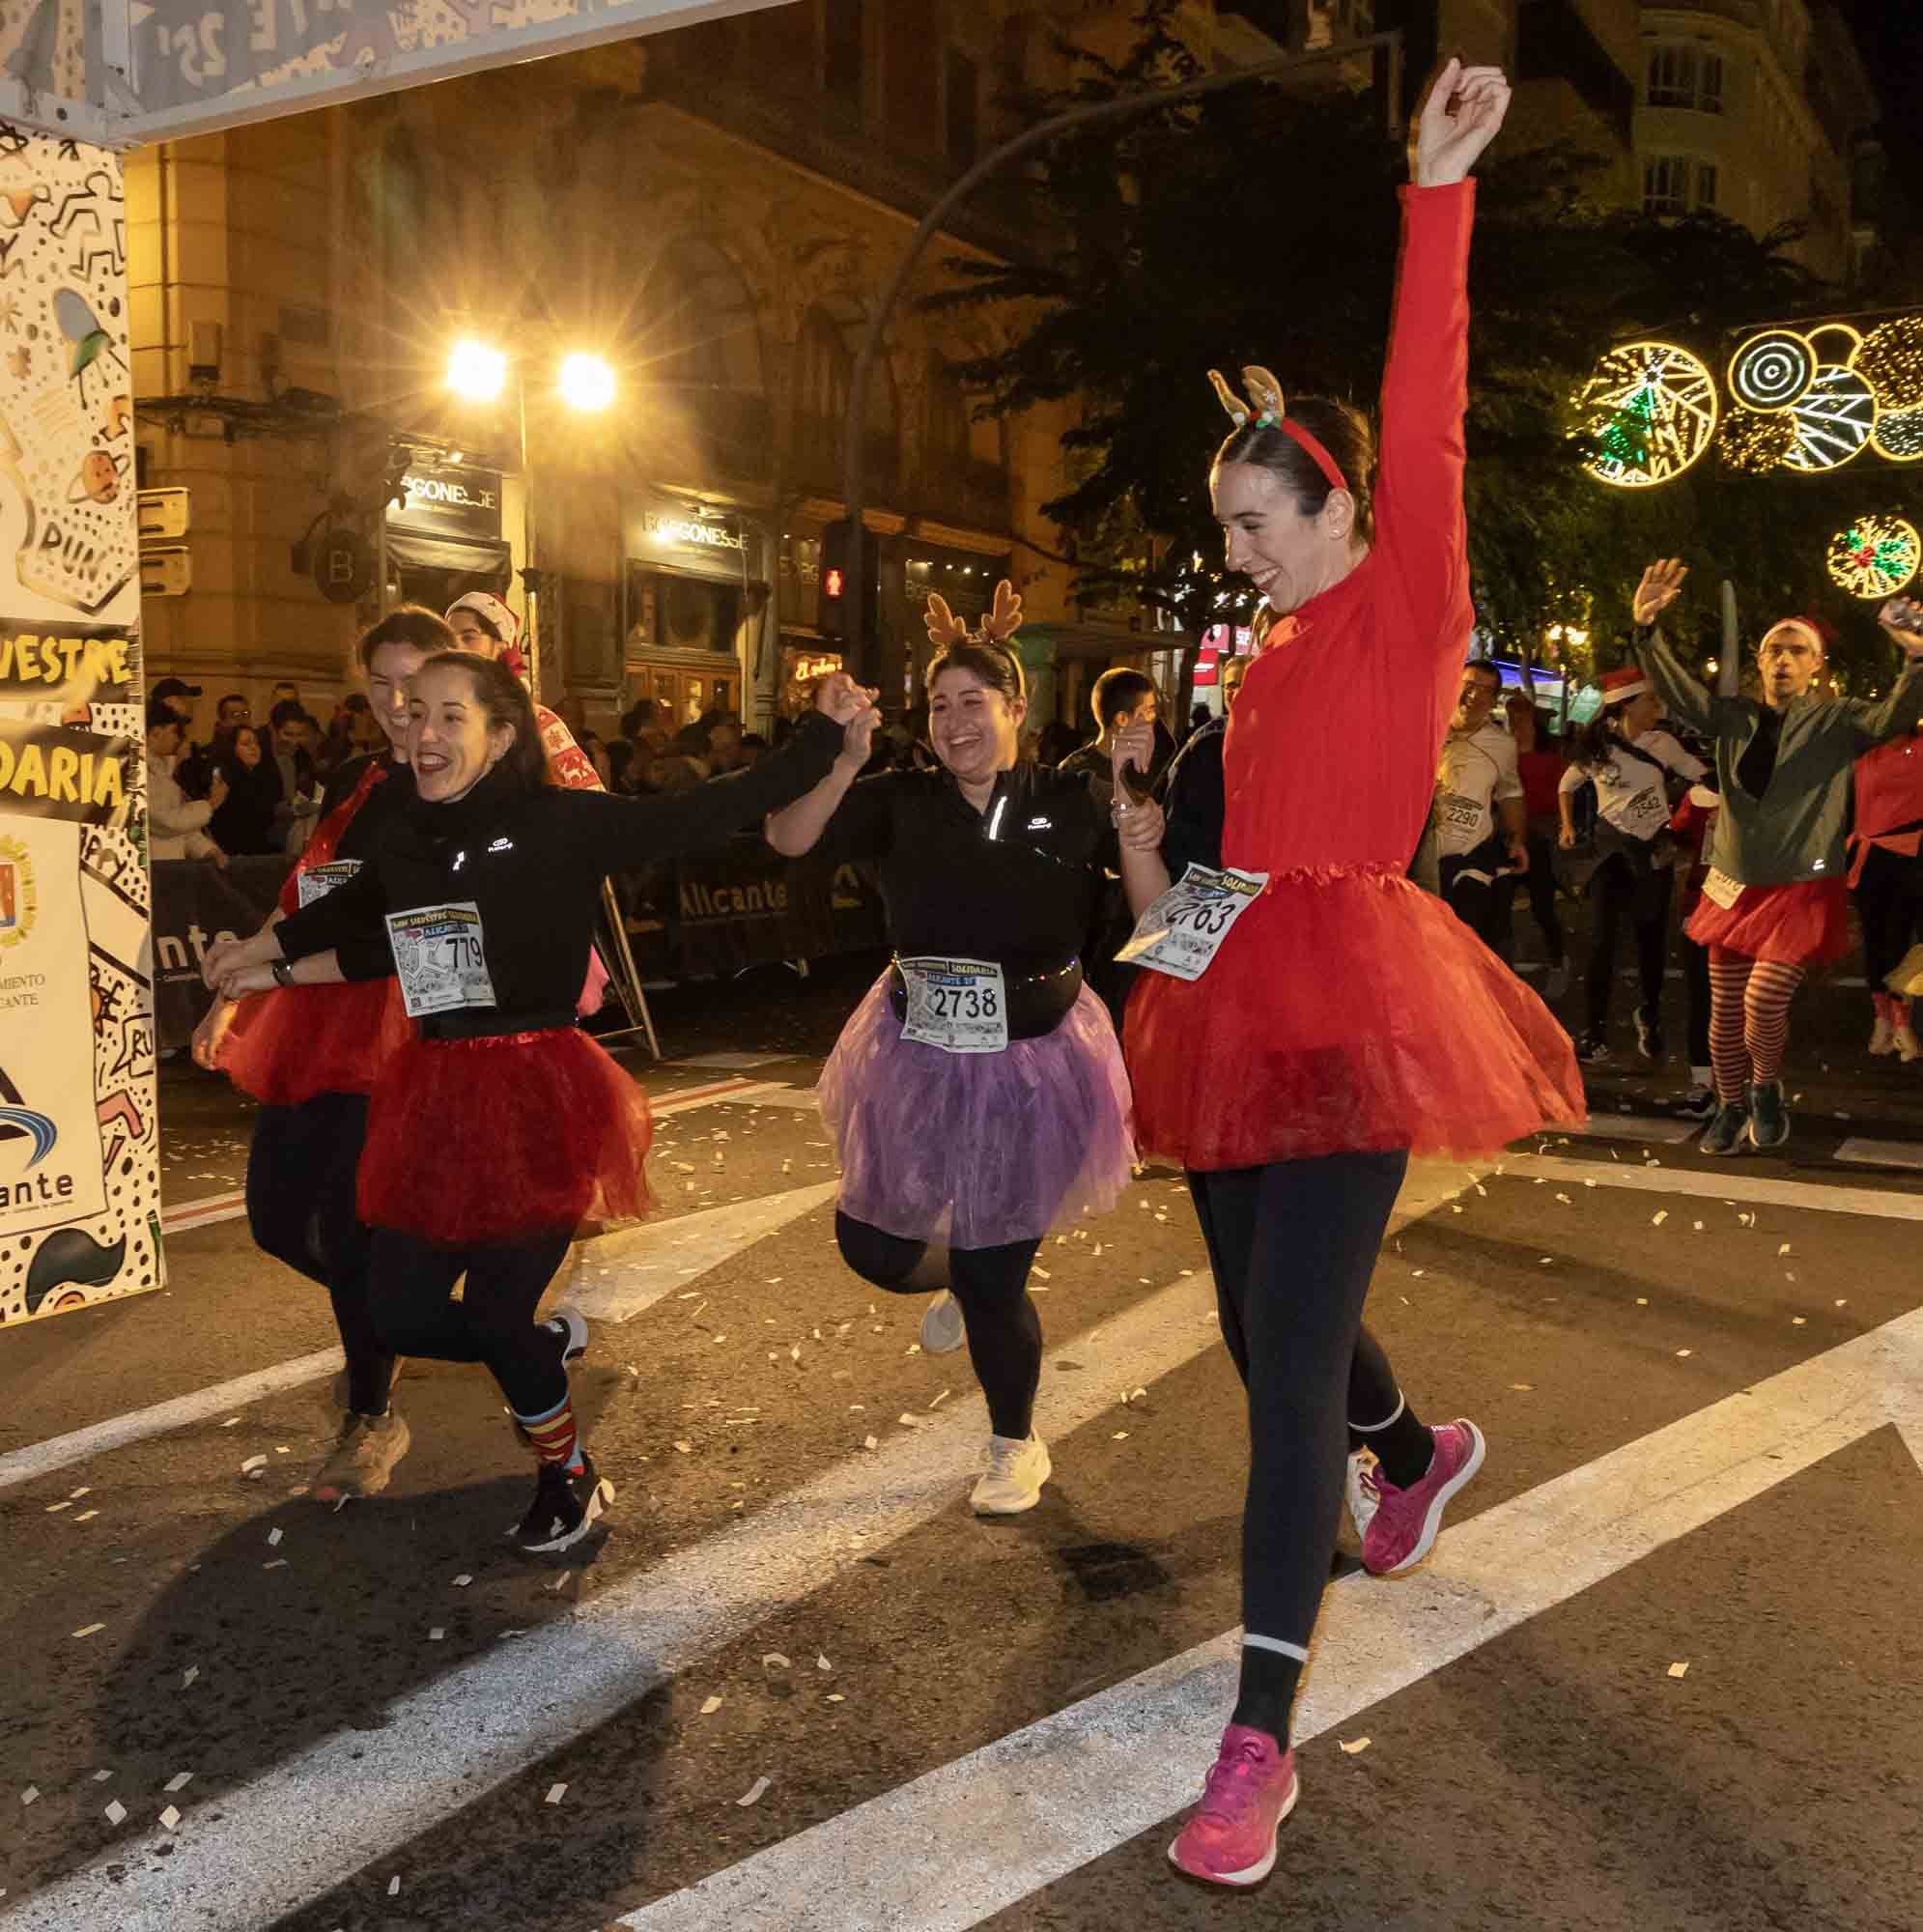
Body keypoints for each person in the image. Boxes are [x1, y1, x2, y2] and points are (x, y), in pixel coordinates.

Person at [1116, 63, 1581, 1889]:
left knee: (1282, 1362)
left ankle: (1254, 1746)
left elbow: (1425, 411)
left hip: (1365, 997)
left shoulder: (1404, 602)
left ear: (1329, 510)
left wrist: (1439, 199)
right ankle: (1416, 1455)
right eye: (1227, 533)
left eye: (1249, 528)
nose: (1231, 561)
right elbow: (1223, 863)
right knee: (1254, 1331)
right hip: (1230, 993)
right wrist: (1139, 986)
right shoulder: (1272, 654)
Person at [205, 655, 875, 1552]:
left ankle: (567, 1472)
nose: (427, 734)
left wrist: (821, 736)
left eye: (452, 716)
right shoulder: (404, 829)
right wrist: (258, 956)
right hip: (433, 1097)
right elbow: (361, 919)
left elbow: (708, 807)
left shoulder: (563, 823)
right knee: (396, 1308)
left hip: (537, 1095)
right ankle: (538, 1358)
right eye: (417, 714)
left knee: (491, 1314)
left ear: (502, 736)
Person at [765, 581, 1136, 1520]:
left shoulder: (1068, 795)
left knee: (993, 1269)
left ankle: (1015, 1439)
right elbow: (788, 834)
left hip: (1035, 1057)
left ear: (1018, 708)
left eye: (976, 701)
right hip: (913, 1049)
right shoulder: (902, 797)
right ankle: (962, 1282)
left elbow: (1151, 896)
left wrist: (1141, 818)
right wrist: (844, 753)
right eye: (939, 704)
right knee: (873, 1247)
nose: (956, 720)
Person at [192, 609, 450, 1503]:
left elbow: (386, 930)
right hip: (309, 1012)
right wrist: (236, 989)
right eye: (379, 684)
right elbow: (306, 893)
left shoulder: (454, 787)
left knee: (347, 1222)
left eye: (414, 683)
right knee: (274, 1219)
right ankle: (403, 1313)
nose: (396, 703)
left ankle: (370, 1412)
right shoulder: (358, 776)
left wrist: (270, 970)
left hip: (398, 1023)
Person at [1632, 563, 1923, 1152]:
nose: (1784, 660)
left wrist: (1916, 659)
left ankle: (1765, 1088)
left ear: (1817, 666)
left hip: (1799, 887)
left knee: (1762, 1001)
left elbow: (1893, 715)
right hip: (1733, 883)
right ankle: (1730, 1103)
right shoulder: (1732, 716)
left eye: (1797, 651)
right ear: (1761, 662)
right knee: (1724, 1011)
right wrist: (1645, 629)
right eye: (1774, 650)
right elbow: (1683, 695)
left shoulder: (1839, 723)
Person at [1556, 667, 1706, 1065]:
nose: (1657, 706)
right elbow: (1567, 784)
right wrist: (1568, 826)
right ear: (1626, 704)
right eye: (1650, 700)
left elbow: (1701, 776)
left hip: (1652, 853)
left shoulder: (1664, 744)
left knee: (1650, 941)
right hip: (1609, 856)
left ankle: (1650, 1014)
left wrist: (1695, 813)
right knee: (1601, 942)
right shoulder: (1598, 747)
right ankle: (1594, 1032)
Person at [1433, 660, 1526, 954]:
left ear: (1494, 700)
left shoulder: (1502, 744)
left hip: (1470, 860)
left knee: (1463, 950)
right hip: (1419, 861)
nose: (1475, 695)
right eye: (1470, 684)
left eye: (1486, 690)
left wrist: (1516, 839)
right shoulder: (1426, 726)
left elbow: (1510, 792)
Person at [1849, 724, 1923, 1062]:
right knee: (1877, 942)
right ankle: (1884, 1021)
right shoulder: (1866, 755)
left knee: (1900, 943)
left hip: (1911, 858)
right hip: (1870, 859)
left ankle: (1901, 1024)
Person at [1500, 689, 1570, 997]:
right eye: (1512, 711)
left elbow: (1563, 790)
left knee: (1543, 906)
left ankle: (1558, 961)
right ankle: (1503, 969)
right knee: (1499, 905)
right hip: (1508, 834)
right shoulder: (1502, 747)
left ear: (1532, 713)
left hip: (1540, 835)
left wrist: (1561, 825)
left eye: (1522, 710)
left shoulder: (1549, 750)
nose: (1517, 716)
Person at [1058, 668, 1162, 810]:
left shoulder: (1152, 769)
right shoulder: (1073, 772)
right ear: (1122, 719)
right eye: (1149, 711)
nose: (1153, 718)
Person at [146, 697, 228, 863]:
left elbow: (182, 828)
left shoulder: (163, 770)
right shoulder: (139, 771)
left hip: (171, 863)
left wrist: (208, 851)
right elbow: (165, 823)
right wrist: (211, 804)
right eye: (175, 731)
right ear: (155, 733)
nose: (179, 739)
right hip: (153, 867)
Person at [207, 724, 287, 857]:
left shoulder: (261, 776)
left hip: (256, 847)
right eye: (245, 744)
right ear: (232, 749)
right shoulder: (224, 776)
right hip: (231, 851)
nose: (254, 748)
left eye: (257, 743)